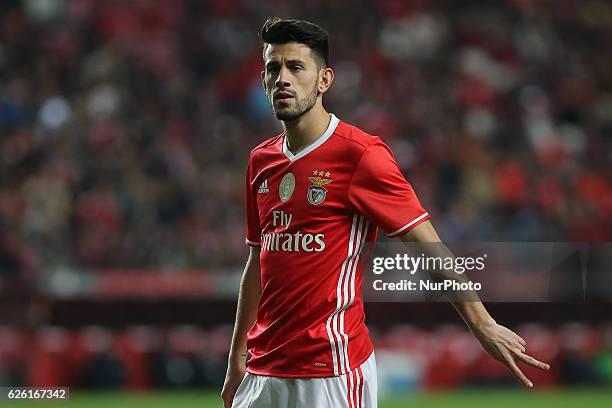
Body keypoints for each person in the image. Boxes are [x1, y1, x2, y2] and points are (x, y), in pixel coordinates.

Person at [222, 17, 550, 408]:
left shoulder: (361, 155)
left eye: (295, 67)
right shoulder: (261, 160)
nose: (282, 79)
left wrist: (482, 324)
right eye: (273, 68)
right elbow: (259, 260)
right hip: (262, 374)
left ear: (324, 80)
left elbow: (429, 245)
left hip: (332, 374)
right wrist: (235, 358)